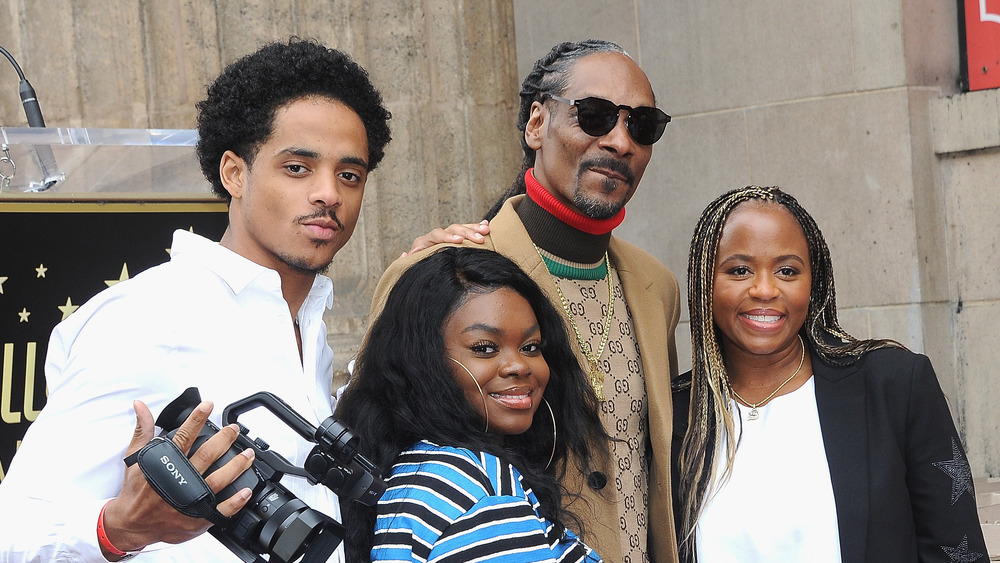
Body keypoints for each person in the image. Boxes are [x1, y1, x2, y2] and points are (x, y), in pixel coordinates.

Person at [0, 37, 391, 562]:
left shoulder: (305, 325)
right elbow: (15, 532)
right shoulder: (146, 320)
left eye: (350, 175)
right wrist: (118, 530)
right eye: (297, 168)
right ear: (234, 173)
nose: (329, 193)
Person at [372, 39, 680, 562]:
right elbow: (382, 452)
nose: (621, 142)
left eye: (642, 126)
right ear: (536, 123)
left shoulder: (657, 287)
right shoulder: (440, 274)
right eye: (596, 116)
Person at [671, 185, 989, 562]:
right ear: (704, 283)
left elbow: (958, 551)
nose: (765, 289)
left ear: (813, 283)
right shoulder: (672, 413)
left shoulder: (893, 385)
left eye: (787, 271)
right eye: (739, 270)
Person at [336, 247, 609, 561]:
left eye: (531, 346)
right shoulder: (477, 490)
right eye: (485, 348)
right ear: (423, 361)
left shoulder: (424, 469)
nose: (518, 365)